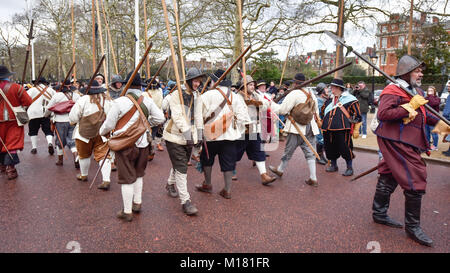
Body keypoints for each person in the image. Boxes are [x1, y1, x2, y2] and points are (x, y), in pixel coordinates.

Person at [372, 55, 450, 247]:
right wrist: (410, 106)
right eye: (417, 70)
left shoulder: (414, 91)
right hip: (395, 139)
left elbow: (423, 115)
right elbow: (384, 114)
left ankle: (379, 213)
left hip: (406, 139)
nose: (421, 73)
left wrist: (441, 123)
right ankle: (412, 227)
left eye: (420, 70)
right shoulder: (392, 90)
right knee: (416, 176)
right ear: (406, 73)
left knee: (389, 174)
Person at [99, 73, 164, 222]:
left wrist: (101, 133)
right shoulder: (147, 100)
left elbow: (109, 125)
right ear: (140, 85)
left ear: (126, 85)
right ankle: (137, 203)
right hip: (143, 144)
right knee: (139, 174)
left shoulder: (120, 102)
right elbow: (160, 118)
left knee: (127, 178)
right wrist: (146, 125)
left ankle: (127, 212)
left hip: (124, 145)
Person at [195, 69, 251, 199]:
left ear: (214, 81)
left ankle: (208, 184)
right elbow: (244, 118)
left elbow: (198, 118)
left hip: (210, 135)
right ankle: (227, 190)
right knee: (228, 162)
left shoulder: (205, 96)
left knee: (207, 160)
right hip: (230, 136)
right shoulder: (236, 96)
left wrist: (199, 135)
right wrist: (236, 130)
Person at [163, 68, 204, 215]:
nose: (198, 83)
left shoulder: (198, 96)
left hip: (189, 137)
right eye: (195, 80)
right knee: (182, 168)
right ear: (188, 81)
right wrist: (187, 134)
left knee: (178, 164)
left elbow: (198, 115)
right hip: (174, 137)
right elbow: (178, 116)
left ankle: (169, 184)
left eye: (199, 80)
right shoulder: (176, 95)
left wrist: (199, 133)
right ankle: (185, 201)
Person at [269, 73, 321, 186]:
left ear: (296, 83)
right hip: (311, 126)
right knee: (310, 152)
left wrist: (272, 105)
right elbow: (316, 111)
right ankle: (313, 178)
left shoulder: (294, 93)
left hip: (296, 127)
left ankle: (280, 170)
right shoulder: (312, 93)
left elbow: (283, 110)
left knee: (288, 150)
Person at [233, 75, 277, 185]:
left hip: (254, 128)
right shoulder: (237, 97)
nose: (253, 87)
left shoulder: (255, 95)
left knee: (259, 151)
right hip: (242, 129)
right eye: (250, 85)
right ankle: (231, 171)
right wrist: (245, 102)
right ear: (244, 86)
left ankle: (264, 175)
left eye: (253, 85)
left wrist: (255, 102)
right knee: (236, 152)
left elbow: (266, 105)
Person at [69, 80, 113, 190]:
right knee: (103, 155)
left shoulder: (82, 100)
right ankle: (106, 179)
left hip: (84, 133)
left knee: (84, 154)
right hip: (102, 132)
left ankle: (84, 175)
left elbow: (73, 117)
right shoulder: (107, 100)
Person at [321, 78, 361, 176]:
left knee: (345, 147)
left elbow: (357, 115)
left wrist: (354, 126)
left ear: (338, 88)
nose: (330, 88)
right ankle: (334, 165)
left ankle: (349, 167)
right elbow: (322, 111)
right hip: (327, 128)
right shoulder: (329, 99)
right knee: (329, 147)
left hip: (342, 128)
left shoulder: (350, 99)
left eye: (332, 87)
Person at [0, 65, 32, 179]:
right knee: (12, 144)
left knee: (1, 143)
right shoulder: (16, 87)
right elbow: (28, 101)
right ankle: (11, 169)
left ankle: (2, 166)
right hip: (14, 120)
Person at [45, 79, 81, 168]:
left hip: (60, 121)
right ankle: (76, 157)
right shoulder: (76, 96)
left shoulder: (57, 96)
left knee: (59, 141)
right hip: (73, 120)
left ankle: (60, 160)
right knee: (72, 140)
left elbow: (49, 108)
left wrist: (45, 115)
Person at [26, 77, 56, 155]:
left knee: (33, 131)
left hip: (33, 113)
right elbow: (55, 100)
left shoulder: (32, 90)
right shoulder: (50, 90)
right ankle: (50, 143)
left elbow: (25, 99)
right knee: (47, 130)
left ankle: (34, 147)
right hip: (46, 113)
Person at [314, 82, 329, 165]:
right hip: (320, 123)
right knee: (320, 140)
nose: (327, 90)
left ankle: (321, 156)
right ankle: (318, 157)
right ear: (322, 91)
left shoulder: (324, 99)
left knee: (323, 140)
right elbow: (320, 113)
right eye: (326, 88)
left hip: (324, 123)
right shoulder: (319, 100)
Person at [424, 86, 440, 151]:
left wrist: (430, 96)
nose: (430, 92)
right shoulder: (425, 98)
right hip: (426, 119)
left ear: (434, 91)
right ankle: (427, 145)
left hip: (433, 119)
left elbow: (433, 103)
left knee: (434, 134)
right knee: (426, 134)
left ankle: (435, 145)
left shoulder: (437, 98)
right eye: (429, 91)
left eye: (431, 90)